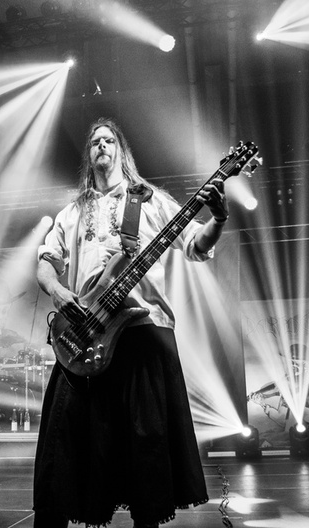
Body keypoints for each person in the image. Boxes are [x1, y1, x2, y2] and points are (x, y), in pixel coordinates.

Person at [33, 118, 229, 527]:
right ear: (89, 156)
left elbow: (196, 245)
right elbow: (46, 263)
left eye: (109, 140)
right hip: (86, 334)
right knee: (65, 446)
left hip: (143, 332)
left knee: (147, 447)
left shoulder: (152, 201)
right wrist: (57, 291)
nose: (101, 146)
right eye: (94, 142)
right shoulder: (72, 212)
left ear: (121, 151)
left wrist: (219, 218)